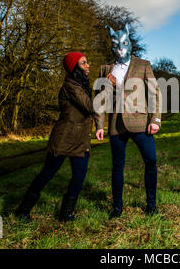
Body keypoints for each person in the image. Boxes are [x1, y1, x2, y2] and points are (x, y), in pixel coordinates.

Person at [15, 52, 93, 222]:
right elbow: (91, 106)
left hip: (80, 139)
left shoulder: (81, 84)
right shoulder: (70, 86)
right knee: (47, 173)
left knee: (79, 175)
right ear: (74, 67)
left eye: (87, 62)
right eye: (84, 63)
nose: (88, 66)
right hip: (64, 138)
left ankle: (66, 213)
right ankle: (23, 210)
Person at [95, 24, 162, 219]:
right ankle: (117, 207)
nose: (120, 48)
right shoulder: (105, 69)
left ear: (129, 44)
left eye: (123, 44)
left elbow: (155, 94)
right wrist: (99, 125)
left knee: (151, 161)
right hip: (116, 124)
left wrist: (155, 119)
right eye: (116, 45)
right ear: (112, 46)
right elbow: (100, 99)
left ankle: (151, 204)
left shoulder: (143, 65)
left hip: (141, 123)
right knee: (117, 165)